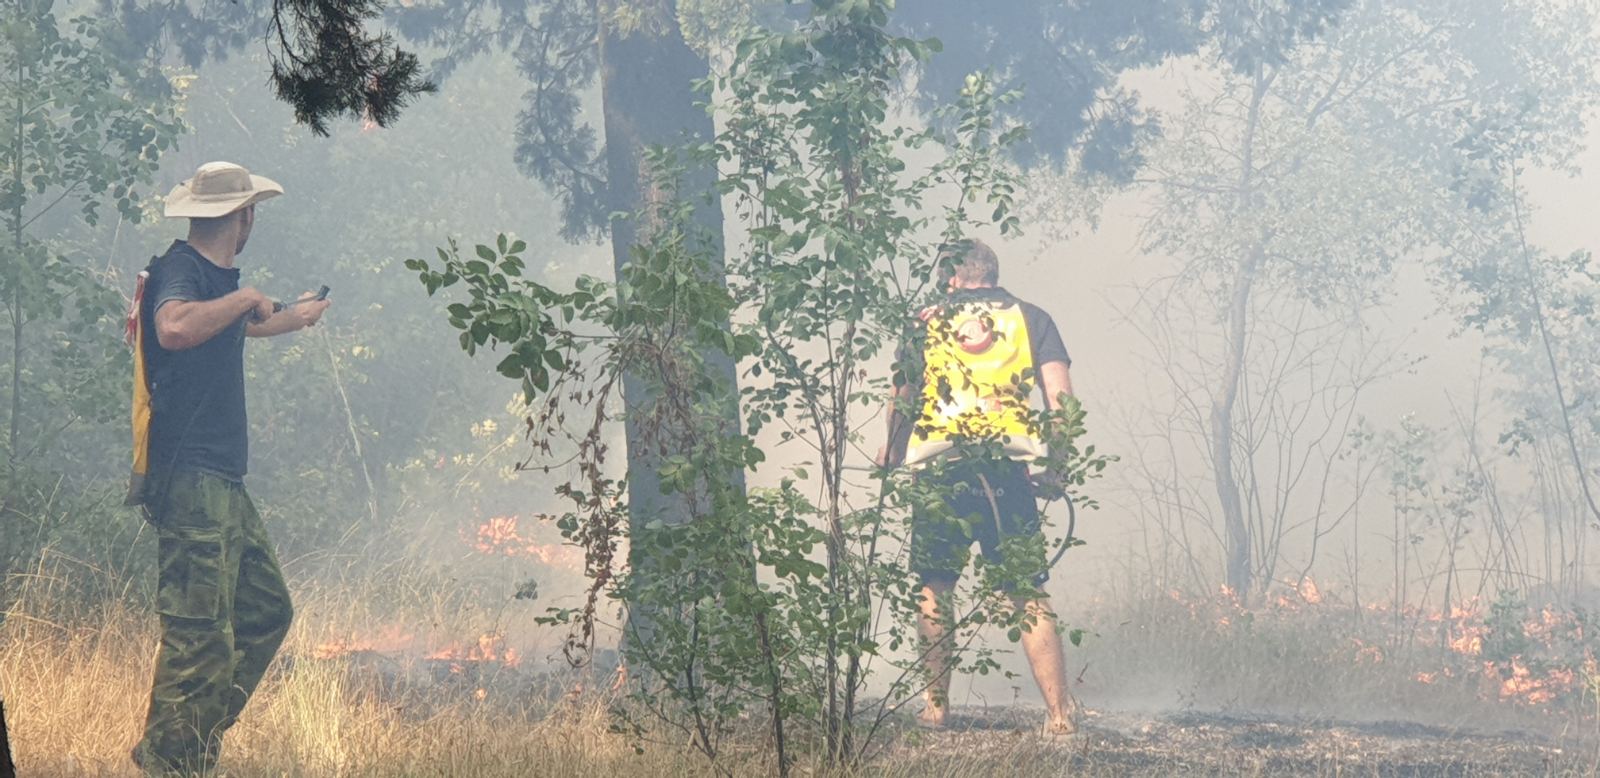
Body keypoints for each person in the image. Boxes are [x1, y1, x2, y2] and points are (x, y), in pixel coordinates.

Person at [131, 161, 330, 774]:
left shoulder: (213, 281)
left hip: (222, 482)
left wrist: (296, 315)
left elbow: (242, 325)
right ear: (241, 217)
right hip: (189, 479)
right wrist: (245, 297)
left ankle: (190, 742)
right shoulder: (181, 271)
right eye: (252, 214)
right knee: (198, 635)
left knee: (265, 610)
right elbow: (174, 328)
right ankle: (171, 761)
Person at [877, 238, 1081, 735]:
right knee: (1027, 590)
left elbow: (902, 397)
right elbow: (1061, 398)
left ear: (951, 277)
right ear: (991, 272)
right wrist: (1057, 465)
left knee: (934, 584)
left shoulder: (923, 321)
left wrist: (891, 451)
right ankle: (1059, 714)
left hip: (940, 471)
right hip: (1006, 472)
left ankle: (937, 708)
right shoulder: (1032, 318)